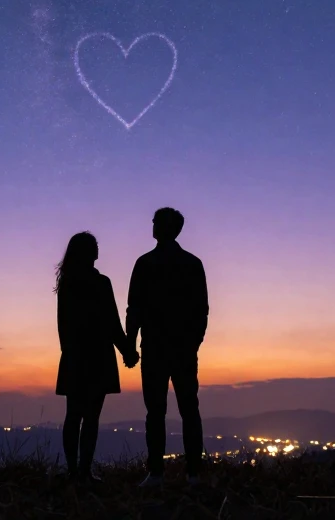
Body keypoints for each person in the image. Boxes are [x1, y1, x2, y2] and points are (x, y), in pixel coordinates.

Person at [125, 207, 209, 487]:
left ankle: (157, 473)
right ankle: (194, 473)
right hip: (182, 349)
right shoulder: (192, 264)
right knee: (189, 408)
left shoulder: (145, 263)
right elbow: (202, 311)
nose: (151, 224)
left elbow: (134, 309)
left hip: (156, 348)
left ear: (164, 227)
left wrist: (130, 344)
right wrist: (193, 342)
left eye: (155, 221)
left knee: (156, 411)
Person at [54, 231, 139, 483]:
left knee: (74, 415)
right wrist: (128, 351)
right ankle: (83, 472)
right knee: (90, 417)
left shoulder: (67, 282)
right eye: (95, 246)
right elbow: (112, 322)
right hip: (98, 356)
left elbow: (63, 326)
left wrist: (69, 352)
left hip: (75, 356)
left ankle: (74, 471)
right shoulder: (101, 282)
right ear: (88, 251)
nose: (98, 249)